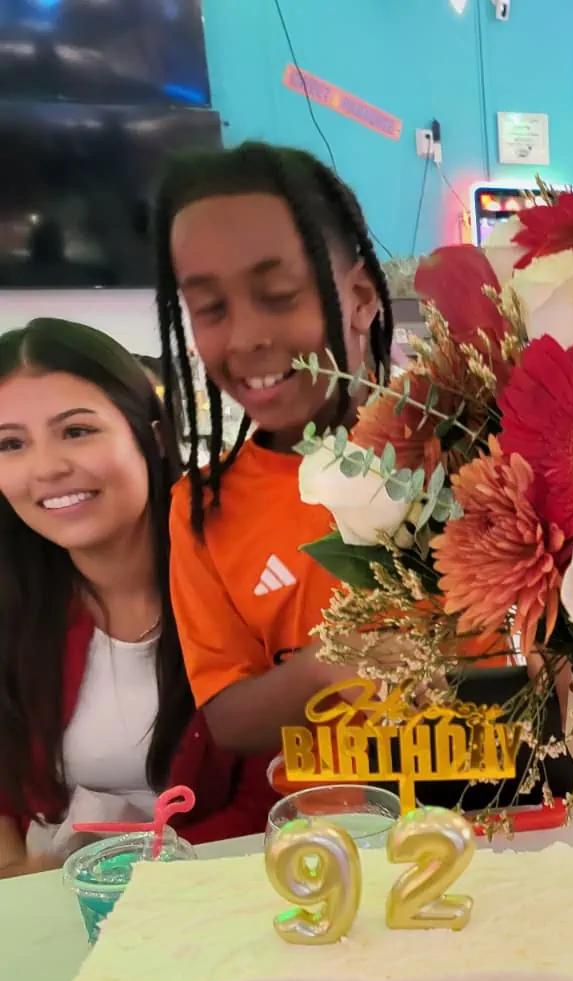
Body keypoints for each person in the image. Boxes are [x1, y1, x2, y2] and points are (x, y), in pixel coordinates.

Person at [0, 318, 275, 876]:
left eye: (76, 431)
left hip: (229, 888)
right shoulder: (14, 602)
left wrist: (112, 873)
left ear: (152, 436)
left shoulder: (252, 581)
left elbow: (277, 802)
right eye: (11, 443)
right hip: (57, 896)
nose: (47, 468)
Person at [153, 141, 395, 755]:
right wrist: (325, 667)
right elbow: (229, 722)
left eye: (280, 295)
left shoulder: (467, 452)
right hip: (320, 811)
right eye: (210, 308)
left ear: (362, 298)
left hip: (512, 805)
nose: (246, 339)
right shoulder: (203, 510)